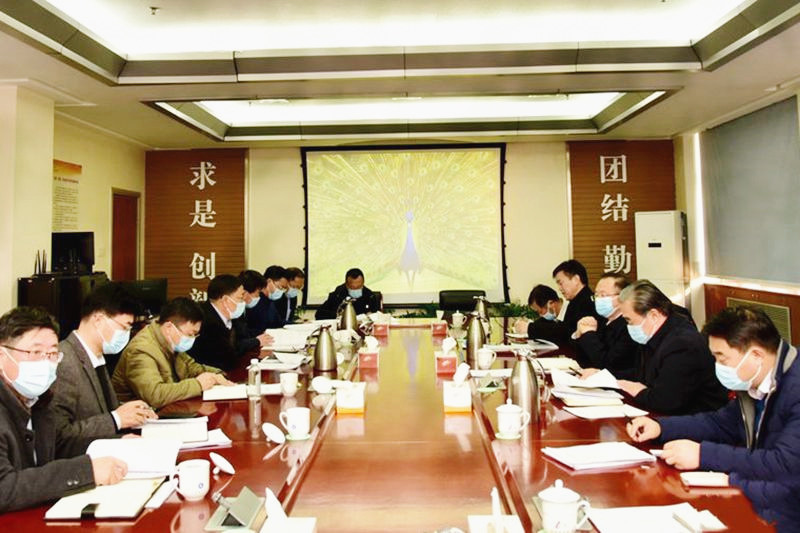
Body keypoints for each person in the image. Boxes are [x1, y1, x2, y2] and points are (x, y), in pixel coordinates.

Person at [627, 307, 800, 531]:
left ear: (756, 355)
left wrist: (703, 455)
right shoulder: (756, 381)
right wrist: (661, 427)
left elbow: (785, 464)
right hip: (765, 492)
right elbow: (720, 423)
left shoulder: (794, 386)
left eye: (722, 359)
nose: (718, 367)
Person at [0, 307, 127, 513]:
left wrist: (117, 443)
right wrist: (87, 472)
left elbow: (59, 446)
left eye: (52, 354)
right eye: (35, 352)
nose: (45, 362)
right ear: (2, 356)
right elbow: (4, 488)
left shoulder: (39, 402)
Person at [51, 283, 157, 449]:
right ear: (98, 320)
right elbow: (59, 436)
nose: (126, 335)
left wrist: (131, 412)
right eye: (124, 327)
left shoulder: (97, 357)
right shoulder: (64, 362)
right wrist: (116, 419)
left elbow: (101, 410)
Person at [616, 280, 727, 414]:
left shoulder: (682, 344)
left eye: (629, 320)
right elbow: (643, 374)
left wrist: (638, 391)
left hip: (696, 418)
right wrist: (608, 377)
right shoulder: (653, 335)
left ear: (654, 315)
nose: (628, 326)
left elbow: (665, 401)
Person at [112, 297, 232, 409]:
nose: (192, 339)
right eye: (190, 334)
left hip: (167, 409)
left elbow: (191, 367)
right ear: (169, 327)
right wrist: (198, 385)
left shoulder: (171, 342)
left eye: (195, 335)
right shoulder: (141, 350)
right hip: (141, 416)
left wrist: (217, 375)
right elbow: (155, 395)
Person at [575, 273, 638, 376]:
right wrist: (579, 334)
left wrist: (589, 334)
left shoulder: (629, 326)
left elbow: (608, 363)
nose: (598, 299)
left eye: (603, 295)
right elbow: (583, 360)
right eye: (596, 295)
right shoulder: (601, 321)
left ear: (623, 297)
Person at [188, 274, 248, 371]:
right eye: (240, 298)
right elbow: (227, 359)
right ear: (225, 300)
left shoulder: (232, 317)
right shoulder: (206, 322)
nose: (243, 302)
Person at [552, 260, 598, 337]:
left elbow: (569, 332)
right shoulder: (575, 302)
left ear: (576, 279)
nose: (559, 288)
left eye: (561, 283)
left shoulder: (588, 304)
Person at [315, 268, 380, 319]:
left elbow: (377, 316)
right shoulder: (337, 295)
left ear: (363, 283)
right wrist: (338, 315)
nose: (356, 289)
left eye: (358, 287)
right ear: (346, 284)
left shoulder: (370, 296)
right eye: (352, 287)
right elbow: (319, 314)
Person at [237, 270, 274, 355]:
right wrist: (257, 341)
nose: (259, 297)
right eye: (258, 293)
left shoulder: (243, 308)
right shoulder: (235, 310)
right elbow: (237, 342)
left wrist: (262, 333)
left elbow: (245, 332)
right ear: (245, 292)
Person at [247, 265, 289, 333]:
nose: (281, 291)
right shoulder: (254, 299)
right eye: (280, 287)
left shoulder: (269, 300)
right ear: (269, 281)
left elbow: (278, 322)